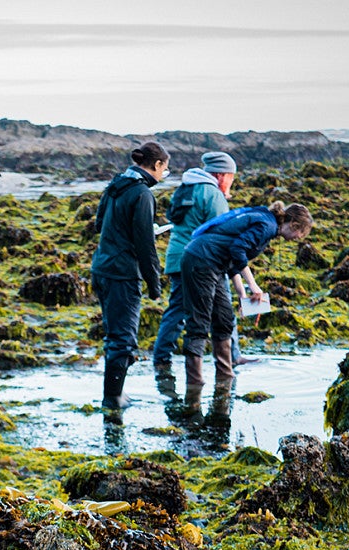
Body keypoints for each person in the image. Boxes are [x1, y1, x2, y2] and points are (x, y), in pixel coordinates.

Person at [180, 200, 314, 392]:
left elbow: (233, 260)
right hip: (200, 260)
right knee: (199, 322)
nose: (299, 238)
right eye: (301, 233)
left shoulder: (267, 224)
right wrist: (254, 286)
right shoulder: (266, 225)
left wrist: (243, 295)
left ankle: (225, 376)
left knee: (225, 319)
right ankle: (194, 384)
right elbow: (238, 250)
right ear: (294, 225)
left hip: (215, 264)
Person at [90, 140, 169, 411]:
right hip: (123, 273)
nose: (162, 176)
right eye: (164, 170)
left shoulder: (115, 184)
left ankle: (113, 394)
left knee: (113, 335)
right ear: (156, 165)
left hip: (101, 266)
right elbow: (145, 244)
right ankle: (113, 398)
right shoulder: (143, 194)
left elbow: (99, 223)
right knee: (123, 339)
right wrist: (154, 283)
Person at [153, 151, 236, 369]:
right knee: (223, 306)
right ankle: (233, 356)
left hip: (176, 257)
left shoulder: (185, 187)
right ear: (220, 175)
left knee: (177, 310)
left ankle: (161, 358)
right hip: (203, 262)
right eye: (231, 176)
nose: (232, 182)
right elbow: (222, 233)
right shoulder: (213, 195)